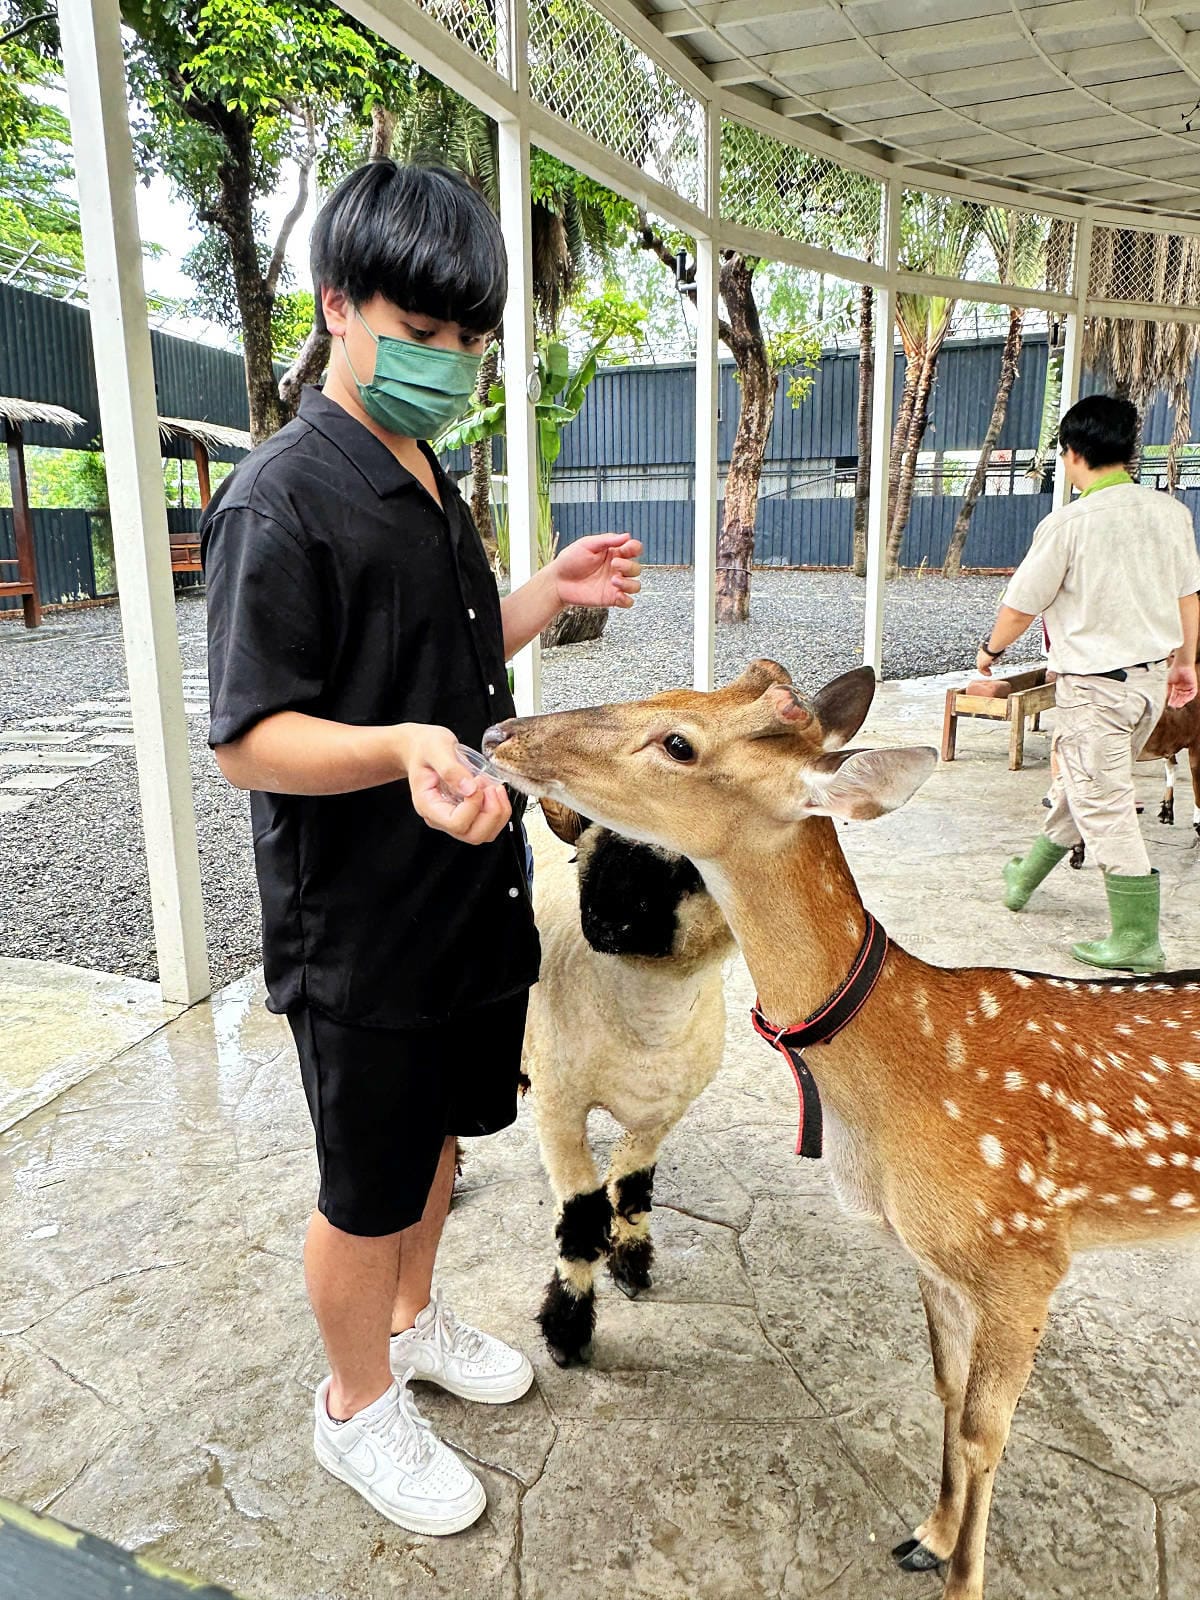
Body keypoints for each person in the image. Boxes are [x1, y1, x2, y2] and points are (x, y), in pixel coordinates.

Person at [201, 161, 642, 1537]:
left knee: (447, 1142)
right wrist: (395, 752)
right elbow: (246, 736)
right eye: (423, 333)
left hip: (467, 893)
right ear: (338, 305)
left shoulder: (420, 465)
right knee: (366, 1180)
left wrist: (541, 601)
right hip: (362, 925)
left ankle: (411, 1322)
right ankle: (353, 1408)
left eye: (469, 341)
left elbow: (437, 660)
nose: (450, 364)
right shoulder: (279, 501)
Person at [978, 393, 1200, 972]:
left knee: (1104, 804)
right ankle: (1024, 877)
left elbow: (1021, 606)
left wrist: (989, 651)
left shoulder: (1068, 523)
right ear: (1127, 450)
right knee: (1086, 786)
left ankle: (1136, 940)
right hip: (1148, 686)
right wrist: (1186, 663)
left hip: (1095, 689)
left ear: (1073, 453)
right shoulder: (1171, 514)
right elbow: (1187, 598)